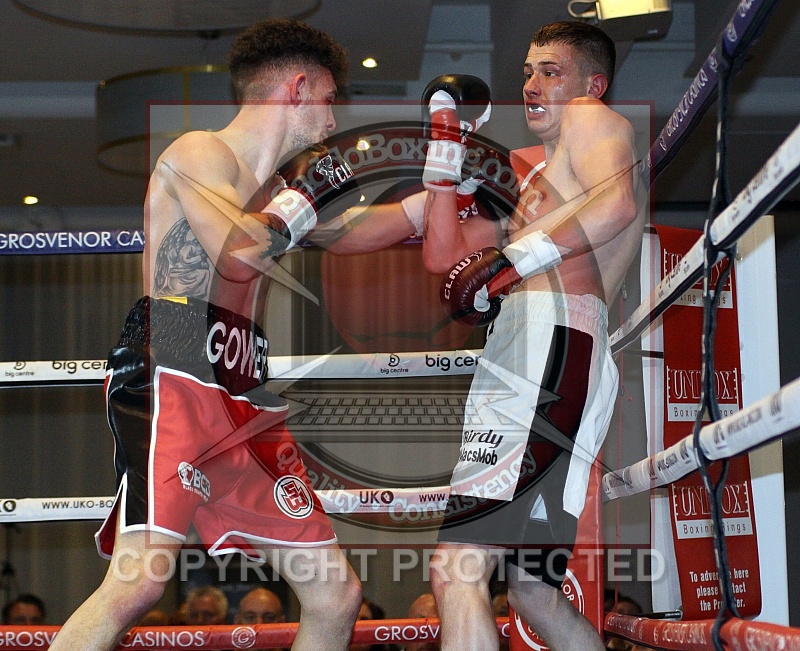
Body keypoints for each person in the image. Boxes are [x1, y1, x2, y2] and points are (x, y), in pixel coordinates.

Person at [48, 18, 423, 651]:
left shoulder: (275, 189)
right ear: (298, 87)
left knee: (335, 594)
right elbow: (238, 253)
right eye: (329, 99)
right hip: (174, 365)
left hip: (243, 387)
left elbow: (348, 231)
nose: (333, 120)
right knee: (140, 583)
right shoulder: (200, 152)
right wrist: (303, 199)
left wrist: (436, 197)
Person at [421, 21, 643, 651]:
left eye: (551, 71)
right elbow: (444, 257)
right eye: (527, 72)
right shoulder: (536, 174)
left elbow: (616, 206)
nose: (533, 85)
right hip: (550, 350)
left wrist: (516, 260)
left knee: (457, 569)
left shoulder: (592, 119)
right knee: (532, 592)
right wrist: (445, 151)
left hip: (548, 342)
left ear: (592, 84)